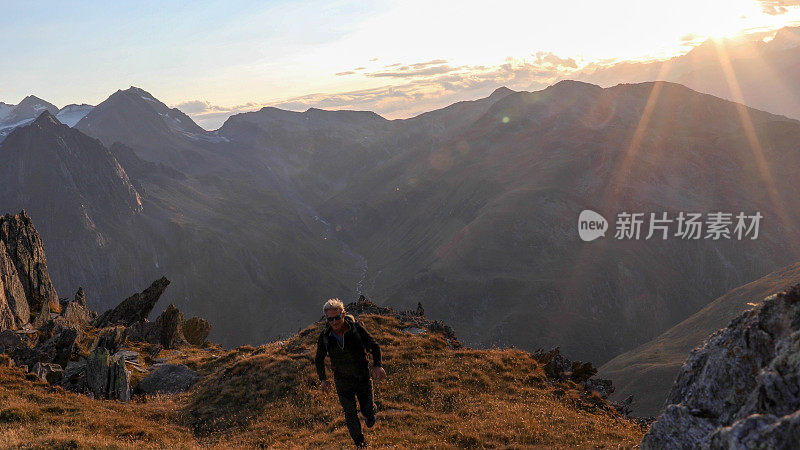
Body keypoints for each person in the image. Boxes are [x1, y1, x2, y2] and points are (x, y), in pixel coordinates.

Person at [315, 298, 386, 448]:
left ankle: (370, 413)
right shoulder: (325, 336)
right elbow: (319, 359)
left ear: (343, 313)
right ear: (326, 319)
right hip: (342, 381)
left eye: (337, 317)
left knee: (367, 412)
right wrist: (323, 379)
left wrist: (377, 366)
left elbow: (374, 346)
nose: (334, 322)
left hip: (362, 378)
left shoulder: (356, 329)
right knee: (350, 414)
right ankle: (360, 444)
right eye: (330, 319)